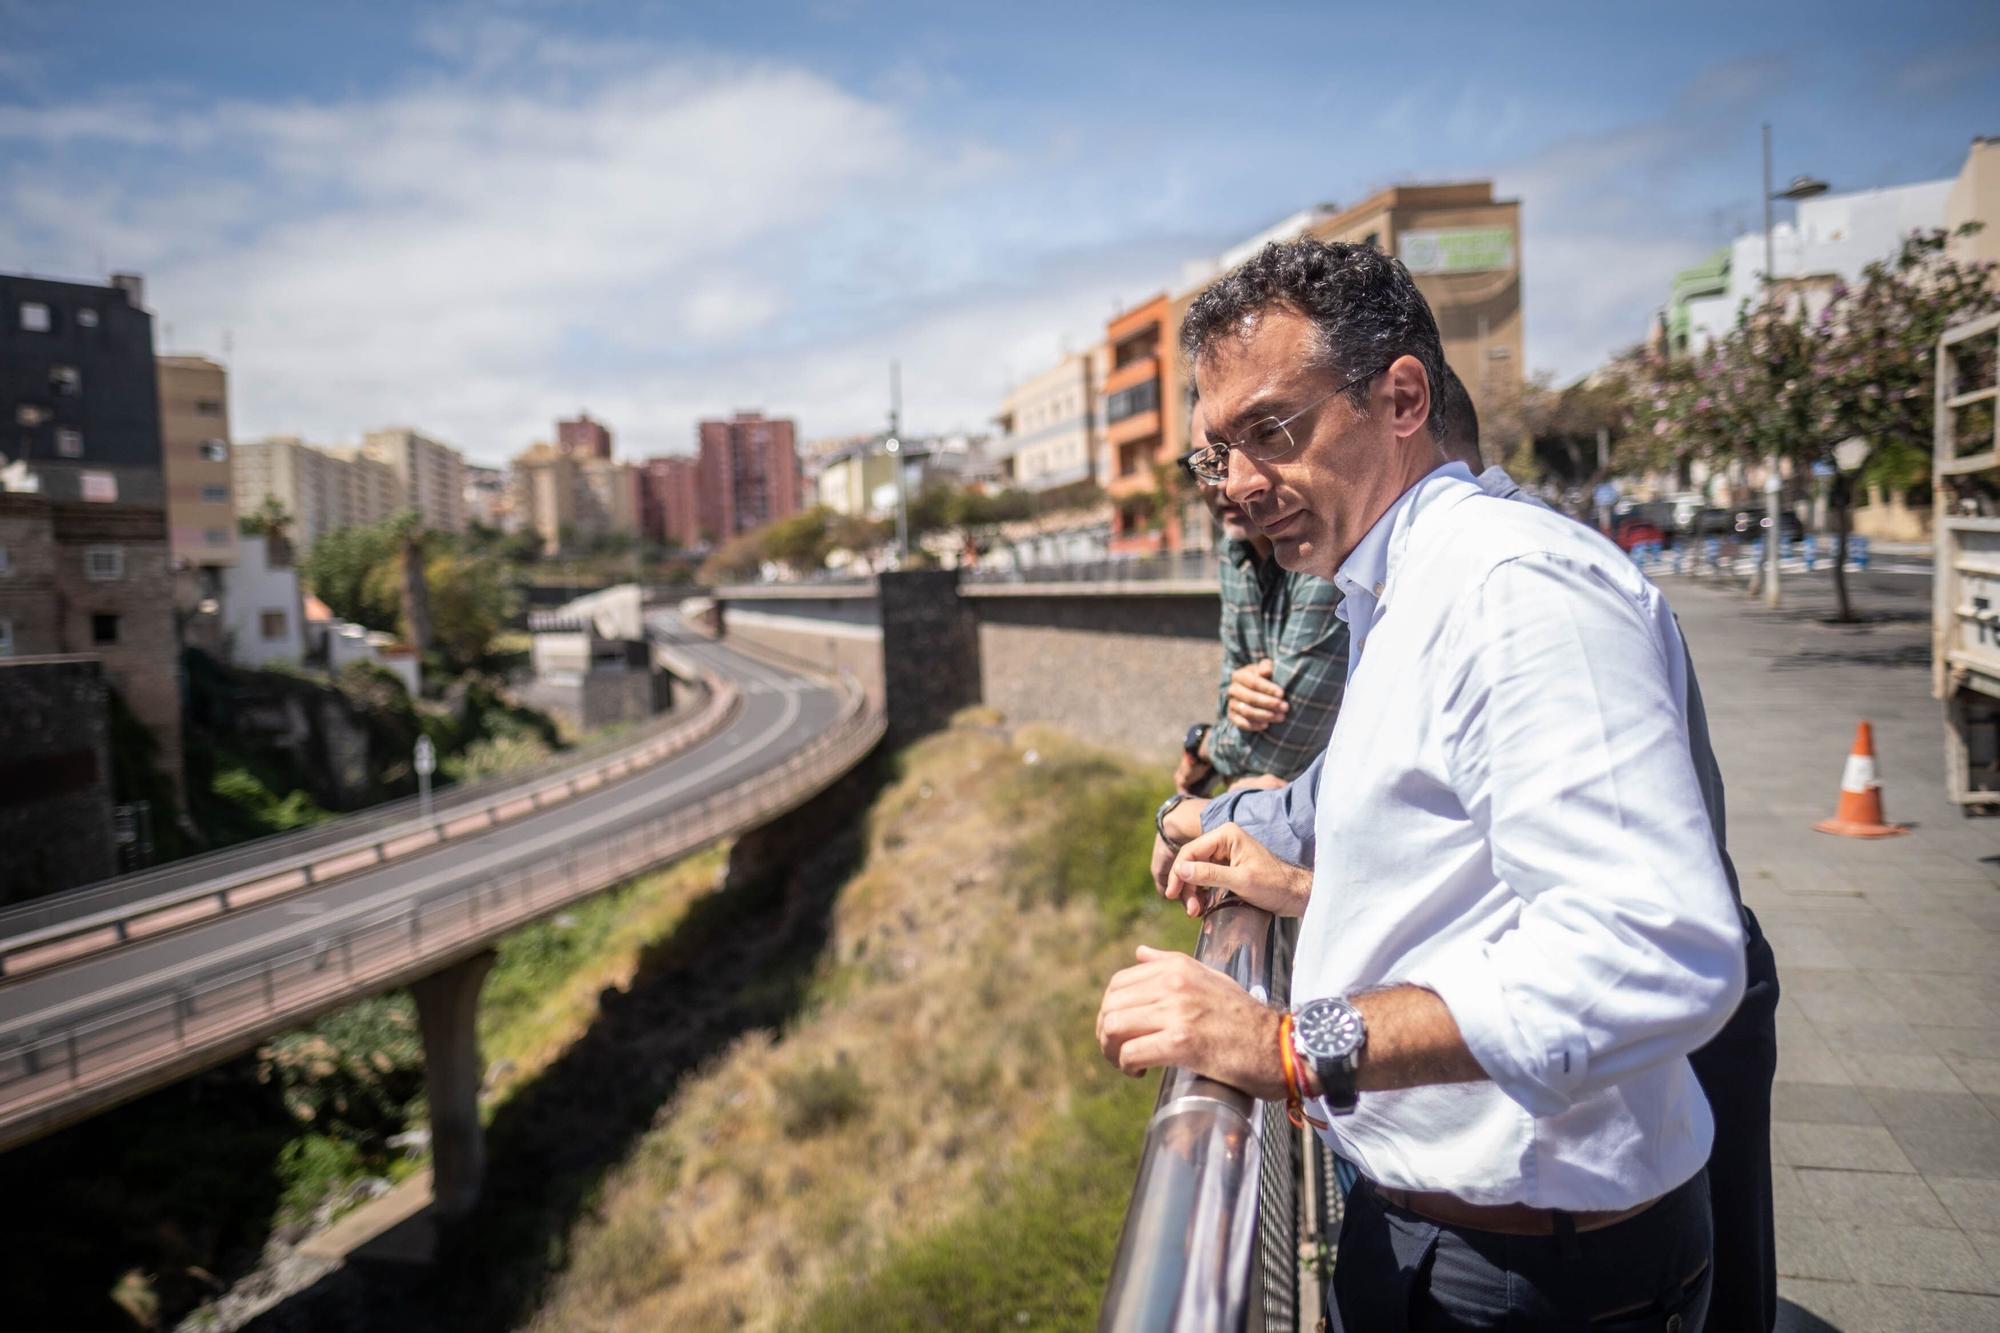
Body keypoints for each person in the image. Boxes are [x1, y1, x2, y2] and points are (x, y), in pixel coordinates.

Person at [1097, 238, 1747, 1330]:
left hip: (1525, 1271)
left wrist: (1283, 1046)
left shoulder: (1512, 588)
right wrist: (1302, 885)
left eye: (1273, 430)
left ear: (1399, 397)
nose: (1243, 487)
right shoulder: (1395, 592)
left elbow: (1652, 947)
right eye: (1221, 453)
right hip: (1456, 1236)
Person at [1169, 400, 1348, 801]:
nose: (1228, 484)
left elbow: (1287, 740)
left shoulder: (1317, 546)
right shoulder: (1234, 554)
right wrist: (1233, 711)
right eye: (1207, 461)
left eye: (1257, 444)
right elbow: (1230, 695)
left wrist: (1204, 744)